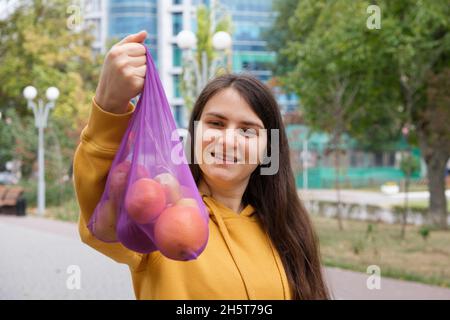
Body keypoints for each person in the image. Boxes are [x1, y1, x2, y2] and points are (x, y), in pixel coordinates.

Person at [73, 31, 330, 299]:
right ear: (194, 135)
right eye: (216, 124)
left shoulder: (287, 229)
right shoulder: (161, 214)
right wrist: (109, 106)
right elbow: (102, 209)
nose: (228, 140)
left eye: (247, 130)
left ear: (269, 148)